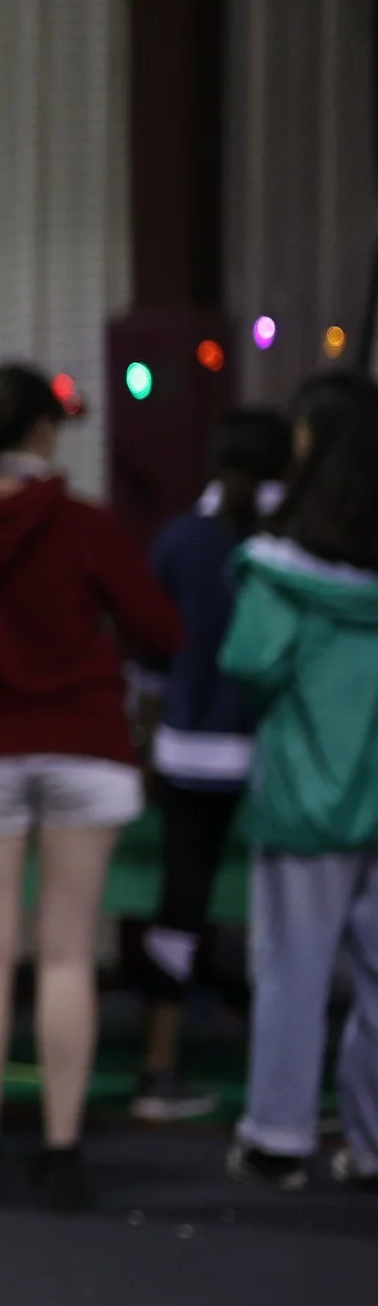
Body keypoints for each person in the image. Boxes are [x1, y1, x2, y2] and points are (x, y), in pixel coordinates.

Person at [0, 365, 182, 1212]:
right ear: (43, 434)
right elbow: (161, 627)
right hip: (85, 744)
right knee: (66, 952)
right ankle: (61, 1147)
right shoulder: (84, 525)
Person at [220, 375, 378, 1193]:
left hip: (306, 796)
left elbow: (248, 660)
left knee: (293, 967)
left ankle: (279, 1135)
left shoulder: (279, 569)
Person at [129, 407, 294, 1123]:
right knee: (287, 917)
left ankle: (158, 1066)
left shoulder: (179, 540)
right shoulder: (294, 544)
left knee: (180, 904)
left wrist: (147, 744)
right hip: (278, 757)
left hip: (189, 749)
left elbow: (146, 661)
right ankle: (280, 1079)